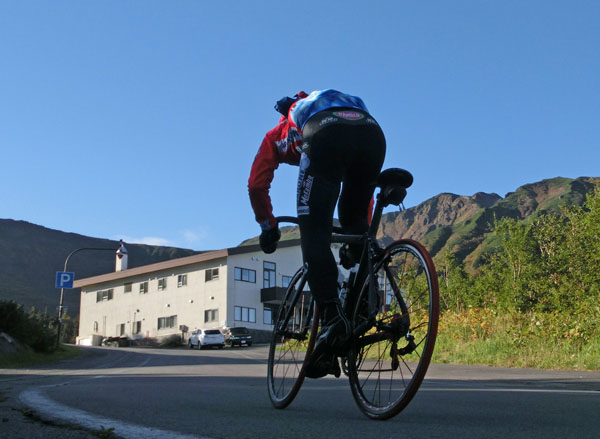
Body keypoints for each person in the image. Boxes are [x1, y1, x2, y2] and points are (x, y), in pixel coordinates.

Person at [248, 89, 386, 377]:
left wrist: (268, 227)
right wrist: (359, 234)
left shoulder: (279, 133)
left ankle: (332, 320)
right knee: (356, 223)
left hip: (325, 134)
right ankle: (363, 308)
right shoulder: (332, 100)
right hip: (372, 133)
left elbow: (257, 185)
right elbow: (362, 199)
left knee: (313, 232)